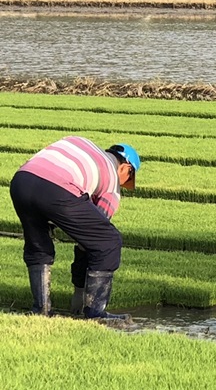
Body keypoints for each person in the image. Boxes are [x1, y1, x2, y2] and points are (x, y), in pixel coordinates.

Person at [9, 137, 140, 320]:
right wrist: (79, 291)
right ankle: (95, 314)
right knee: (108, 241)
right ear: (126, 168)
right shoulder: (112, 180)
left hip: (21, 181)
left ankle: (41, 310)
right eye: (128, 179)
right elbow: (91, 242)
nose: (123, 185)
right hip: (57, 188)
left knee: (38, 243)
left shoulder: (82, 144)